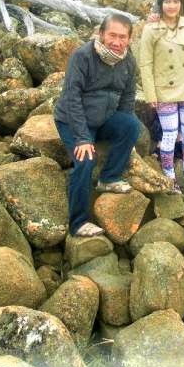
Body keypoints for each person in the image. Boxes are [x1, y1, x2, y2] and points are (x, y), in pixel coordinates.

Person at [54, 14, 141, 238]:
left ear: (129, 39)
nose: (117, 41)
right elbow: (72, 98)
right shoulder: (82, 56)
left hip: (104, 118)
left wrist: (125, 135)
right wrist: (83, 138)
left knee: (131, 126)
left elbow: (128, 97)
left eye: (122, 37)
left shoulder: (128, 60)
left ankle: (109, 178)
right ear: (101, 34)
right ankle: (78, 223)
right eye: (112, 35)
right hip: (73, 119)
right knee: (85, 160)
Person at [139, 0, 184, 191]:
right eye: (167, 1)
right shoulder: (151, 29)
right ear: (161, 4)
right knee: (169, 134)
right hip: (164, 90)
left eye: (176, 1)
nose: (171, 6)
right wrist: (151, 94)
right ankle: (169, 175)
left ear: (180, 4)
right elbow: (145, 63)